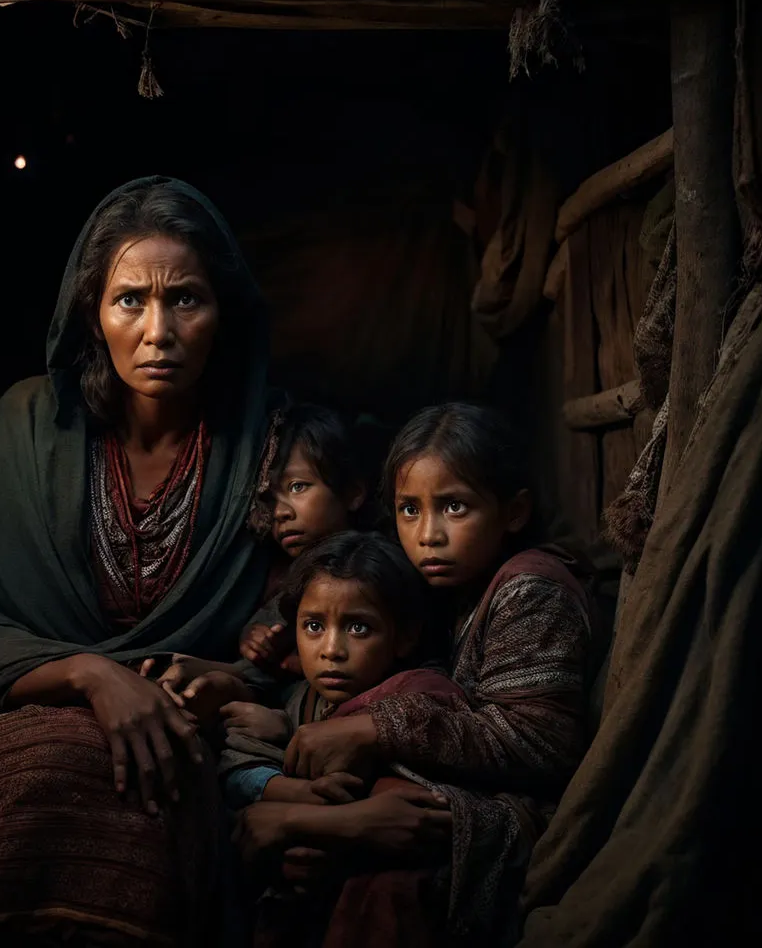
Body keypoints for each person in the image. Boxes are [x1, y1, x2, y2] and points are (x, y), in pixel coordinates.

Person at [0, 177, 275, 947]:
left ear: (223, 313)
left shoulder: (271, 449)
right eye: (130, 299)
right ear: (92, 313)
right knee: (42, 776)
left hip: (182, 733)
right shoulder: (27, 427)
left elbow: (310, 628)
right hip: (11, 726)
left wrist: (223, 680)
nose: (158, 330)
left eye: (187, 300)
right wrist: (92, 676)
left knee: (136, 788)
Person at [234, 403, 596, 947]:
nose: (428, 534)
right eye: (409, 510)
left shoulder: (530, 588)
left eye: (453, 507)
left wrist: (374, 728)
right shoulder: (444, 589)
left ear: (514, 511)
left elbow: (542, 742)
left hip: (509, 818)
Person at [220, 530, 463, 811]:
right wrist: (294, 785)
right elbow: (234, 766)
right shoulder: (303, 697)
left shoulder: (421, 695)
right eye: (314, 626)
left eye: (358, 628)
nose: (332, 650)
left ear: (405, 637)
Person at [240, 403, 370, 677]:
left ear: (352, 493)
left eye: (298, 487)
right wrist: (254, 638)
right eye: (269, 499)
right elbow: (268, 629)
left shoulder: (376, 567)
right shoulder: (279, 575)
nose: (279, 513)